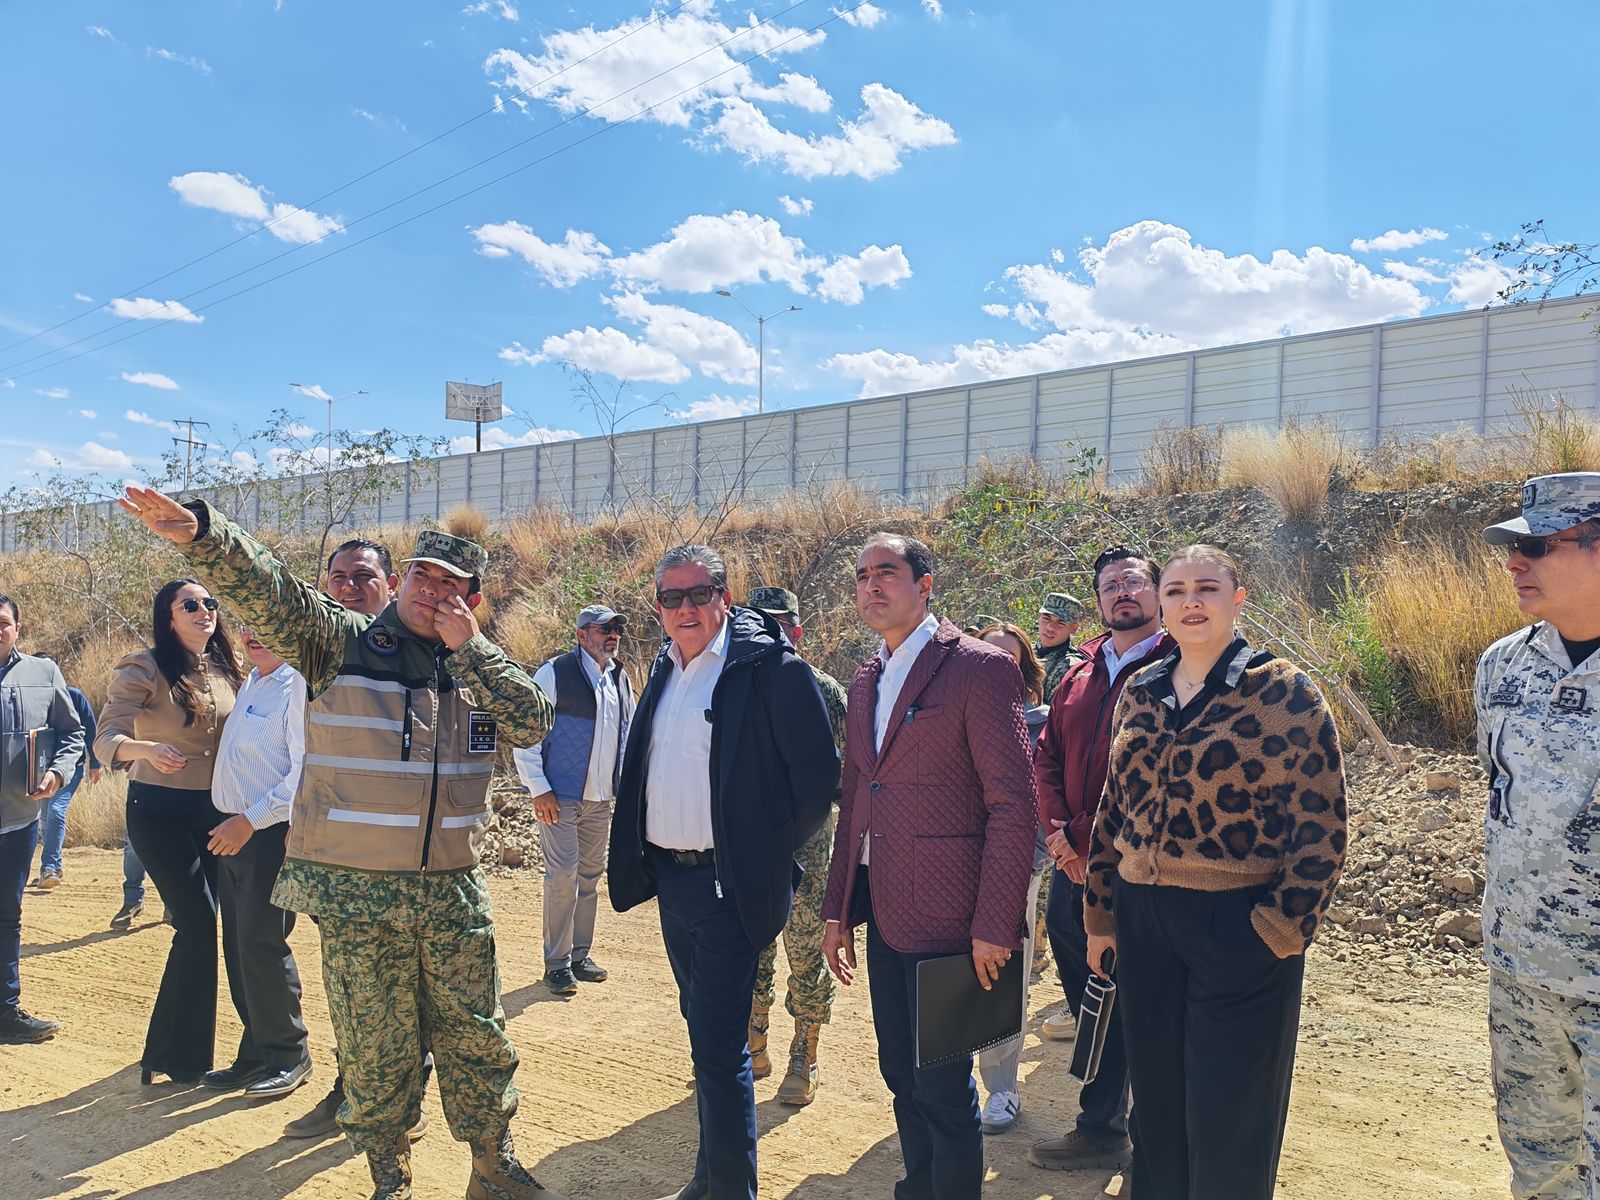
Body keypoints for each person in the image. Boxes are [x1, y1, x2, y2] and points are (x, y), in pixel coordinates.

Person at [118, 487, 566, 1200]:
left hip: (452, 888)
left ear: (471, 601)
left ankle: (491, 1164)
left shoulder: (476, 663)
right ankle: (390, 1177)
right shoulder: (340, 642)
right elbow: (271, 591)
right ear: (404, 581)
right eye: (422, 576)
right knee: (375, 1048)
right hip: (361, 895)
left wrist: (471, 649)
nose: (431, 592)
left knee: (478, 1034)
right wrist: (205, 535)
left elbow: (534, 720)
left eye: (450, 586)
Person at [1083, 544, 1347, 1200]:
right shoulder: (1140, 692)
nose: (1190, 601)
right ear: (1162, 605)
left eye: (1207, 588)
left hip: (1238, 922)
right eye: (1175, 591)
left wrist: (1279, 931)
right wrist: (1101, 914)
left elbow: (1322, 833)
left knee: (1231, 1117)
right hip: (1143, 921)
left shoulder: (1284, 695)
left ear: (1238, 599)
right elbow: (1112, 809)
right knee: (1159, 1111)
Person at [608, 546, 837, 1200]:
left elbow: (818, 780)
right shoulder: (666, 669)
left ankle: (732, 1190)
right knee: (704, 1036)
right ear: (657, 607)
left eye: (698, 594)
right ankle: (711, 1176)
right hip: (673, 886)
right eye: (670, 598)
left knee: (719, 1045)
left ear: (723, 596)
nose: (685, 608)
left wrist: (757, 853)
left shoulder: (770, 669)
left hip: (727, 889)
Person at [821, 533, 1037, 1200]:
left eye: (886, 573)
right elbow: (856, 798)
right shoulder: (866, 679)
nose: (870, 587)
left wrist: (997, 923)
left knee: (943, 1088)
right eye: (861, 577)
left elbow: (1014, 804)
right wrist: (836, 911)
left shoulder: (977, 668)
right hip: (886, 915)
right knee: (901, 1076)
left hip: (955, 920)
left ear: (926, 584)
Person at [285, 537, 438, 1142]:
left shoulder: (417, 650)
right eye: (339, 575)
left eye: (365, 575)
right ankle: (355, 1085)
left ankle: (404, 1095)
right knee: (351, 984)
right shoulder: (319, 645)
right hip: (330, 846)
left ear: (392, 581)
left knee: (409, 983)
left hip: (400, 852)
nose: (350, 585)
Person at [1475, 472, 1600, 1200]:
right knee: (1540, 1163)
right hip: (1521, 970)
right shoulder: (1502, 665)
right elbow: (1504, 802)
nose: (1515, 563)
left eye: (1538, 546)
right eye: (1512, 547)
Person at [1028, 546, 1172, 1175]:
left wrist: (1086, 834)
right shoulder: (1079, 672)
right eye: (1110, 584)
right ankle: (1101, 1124)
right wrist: (1059, 834)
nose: (1122, 593)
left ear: (1160, 593)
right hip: (1073, 869)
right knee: (1096, 994)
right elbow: (1046, 756)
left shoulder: (1180, 667)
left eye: (1134, 582)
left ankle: (1156, 1134)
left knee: (1147, 999)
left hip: (1142, 870)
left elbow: (1160, 773)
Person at [95, 578, 244, 1082]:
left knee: (223, 929)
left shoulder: (229, 667)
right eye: (190, 604)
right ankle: (179, 1058)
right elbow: (107, 737)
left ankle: (167, 1052)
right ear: (169, 616)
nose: (204, 611)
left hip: (219, 811)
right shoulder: (144, 666)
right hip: (159, 812)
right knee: (197, 923)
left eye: (210, 603)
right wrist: (147, 750)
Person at [745, 586, 848, 1108]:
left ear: (797, 630)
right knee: (750, 946)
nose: (770, 630)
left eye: (780, 622)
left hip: (808, 846)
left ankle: (804, 1053)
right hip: (749, 846)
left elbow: (850, 774)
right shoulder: (734, 683)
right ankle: (753, 1041)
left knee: (806, 951)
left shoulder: (824, 689)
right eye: (759, 621)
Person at [202, 623, 311, 1099]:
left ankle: (290, 1054)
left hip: (264, 834)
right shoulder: (253, 681)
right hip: (233, 831)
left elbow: (302, 772)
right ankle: (257, 1051)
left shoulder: (295, 685)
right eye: (247, 625)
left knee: (263, 944)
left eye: (267, 625)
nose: (254, 634)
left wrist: (249, 820)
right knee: (240, 947)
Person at [512, 604, 635, 996]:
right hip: (559, 797)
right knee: (562, 876)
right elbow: (526, 732)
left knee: (589, 876)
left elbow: (628, 736)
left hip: (600, 800)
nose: (612, 635)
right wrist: (538, 787)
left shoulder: (620, 678)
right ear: (581, 635)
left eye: (616, 628)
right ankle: (557, 964)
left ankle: (580, 956)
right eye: (603, 629)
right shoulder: (553, 674)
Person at [971, 621, 1052, 1136]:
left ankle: (1001, 1089)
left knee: (1002, 980)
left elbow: (1045, 802)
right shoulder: (954, 716)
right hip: (948, 870)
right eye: (989, 656)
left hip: (1012, 871)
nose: (1000, 667)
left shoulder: (1041, 725)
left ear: (1025, 673)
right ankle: (952, 1081)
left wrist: (1032, 865)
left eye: (1011, 659)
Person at [0, 592, 85, 1044]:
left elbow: (73, 733)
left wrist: (57, 772)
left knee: (7, 917)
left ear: (18, 627)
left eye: (3, 622)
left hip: (17, 823)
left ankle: (6, 1011)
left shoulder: (43, 672)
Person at [29, 654, 102, 891]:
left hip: (69, 768)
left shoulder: (75, 696)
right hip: (37, 772)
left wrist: (96, 762)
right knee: (44, 818)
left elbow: (90, 729)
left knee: (57, 812)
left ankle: (49, 867)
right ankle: (55, 865)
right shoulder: (28, 698)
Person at [1036, 592, 1086, 703]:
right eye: (1046, 618)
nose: (1050, 627)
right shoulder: (1023, 650)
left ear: (1074, 628)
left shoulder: (1071, 667)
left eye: (1061, 622)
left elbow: (1052, 716)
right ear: (1038, 618)